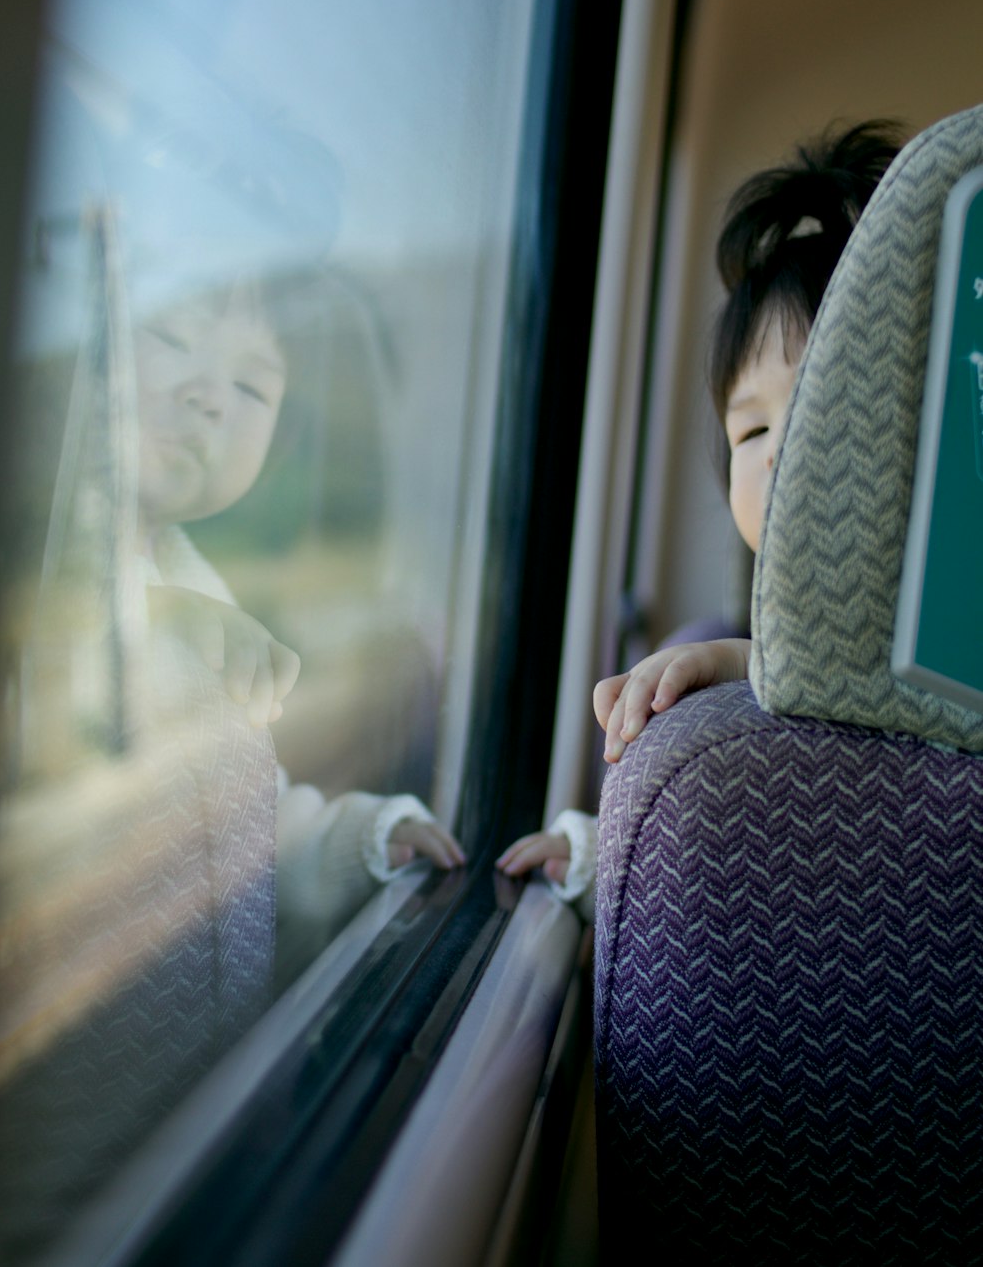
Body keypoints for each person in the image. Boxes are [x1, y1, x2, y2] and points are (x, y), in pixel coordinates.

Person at [496, 120, 904, 922]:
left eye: (827, 400)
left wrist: (755, 667)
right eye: (751, 430)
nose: (784, 450)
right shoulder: (707, 644)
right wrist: (591, 851)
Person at [131, 280, 465, 913]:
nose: (209, 398)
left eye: (251, 388)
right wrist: (159, 613)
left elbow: (244, 814)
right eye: (174, 338)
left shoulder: (200, 579)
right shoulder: (35, 545)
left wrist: (356, 841)